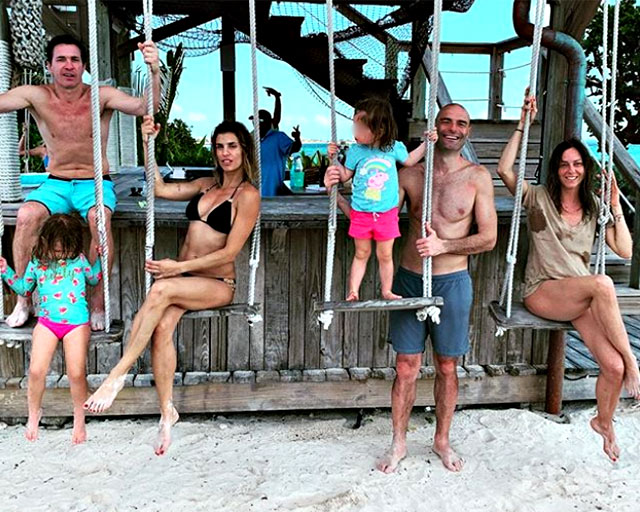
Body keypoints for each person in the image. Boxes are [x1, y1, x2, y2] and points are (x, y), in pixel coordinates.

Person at [325, 102, 497, 474]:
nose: (453, 128)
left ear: (468, 131)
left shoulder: (477, 177)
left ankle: (442, 440)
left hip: (452, 281)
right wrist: (336, 190)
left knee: (447, 366)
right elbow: (372, 213)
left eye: (461, 123)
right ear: (435, 127)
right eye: (446, 121)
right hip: (408, 277)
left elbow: (489, 238)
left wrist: (444, 245)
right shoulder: (408, 174)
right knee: (406, 367)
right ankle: (399, 442)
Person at [83, 115, 261, 456]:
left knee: (161, 289)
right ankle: (167, 413)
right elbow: (160, 189)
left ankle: (116, 375)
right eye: (220, 146)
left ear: (244, 151)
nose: (226, 153)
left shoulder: (248, 195)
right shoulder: (206, 184)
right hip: (184, 279)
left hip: (216, 283)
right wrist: (147, 143)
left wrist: (177, 268)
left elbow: (230, 252)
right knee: (162, 328)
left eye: (232, 146)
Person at [497, 92, 640, 462]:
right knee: (603, 284)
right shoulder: (538, 197)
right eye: (564, 164)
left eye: (577, 164)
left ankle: (603, 422)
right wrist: (522, 124)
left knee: (612, 367)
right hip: (542, 292)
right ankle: (635, 363)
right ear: (556, 169)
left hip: (578, 298)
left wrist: (614, 205)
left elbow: (625, 250)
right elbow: (505, 170)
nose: (570, 170)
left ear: (585, 169)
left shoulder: (593, 208)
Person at [0, 34, 160, 331]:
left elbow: (145, 107)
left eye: (75, 60)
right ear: (49, 65)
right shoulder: (36, 95)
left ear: (84, 66)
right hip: (56, 183)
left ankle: (97, 304)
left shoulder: (102, 95)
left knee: (99, 218)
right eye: (61, 59)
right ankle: (24, 301)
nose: (68, 65)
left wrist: (154, 70)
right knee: (25, 216)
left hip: (94, 181)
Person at [0, 214, 102, 444]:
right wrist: (5, 270)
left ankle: (79, 418)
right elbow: (24, 289)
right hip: (47, 322)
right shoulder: (38, 263)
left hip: (76, 323)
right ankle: (34, 413)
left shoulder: (79, 260)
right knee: (36, 371)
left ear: (74, 246)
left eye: (66, 251)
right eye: (56, 251)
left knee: (76, 373)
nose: (61, 255)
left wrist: (99, 259)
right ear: (45, 243)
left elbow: (94, 279)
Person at [326, 97, 430, 301]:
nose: (355, 132)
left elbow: (410, 161)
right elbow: (344, 176)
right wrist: (333, 159)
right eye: (355, 126)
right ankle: (353, 291)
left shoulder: (393, 147)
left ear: (379, 130)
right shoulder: (356, 151)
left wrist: (427, 144)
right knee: (361, 253)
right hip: (361, 213)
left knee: (385, 255)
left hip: (386, 214)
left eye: (360, 128)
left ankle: (386, 291)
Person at [250, 87, 302, 196]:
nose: (256, 123)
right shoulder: (249, 137)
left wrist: (297, 138)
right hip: (253, 191)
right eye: (254, 121)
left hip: (272, 192)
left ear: (269, 123)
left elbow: (295, 148)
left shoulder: (278, 137)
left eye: (260, 121)